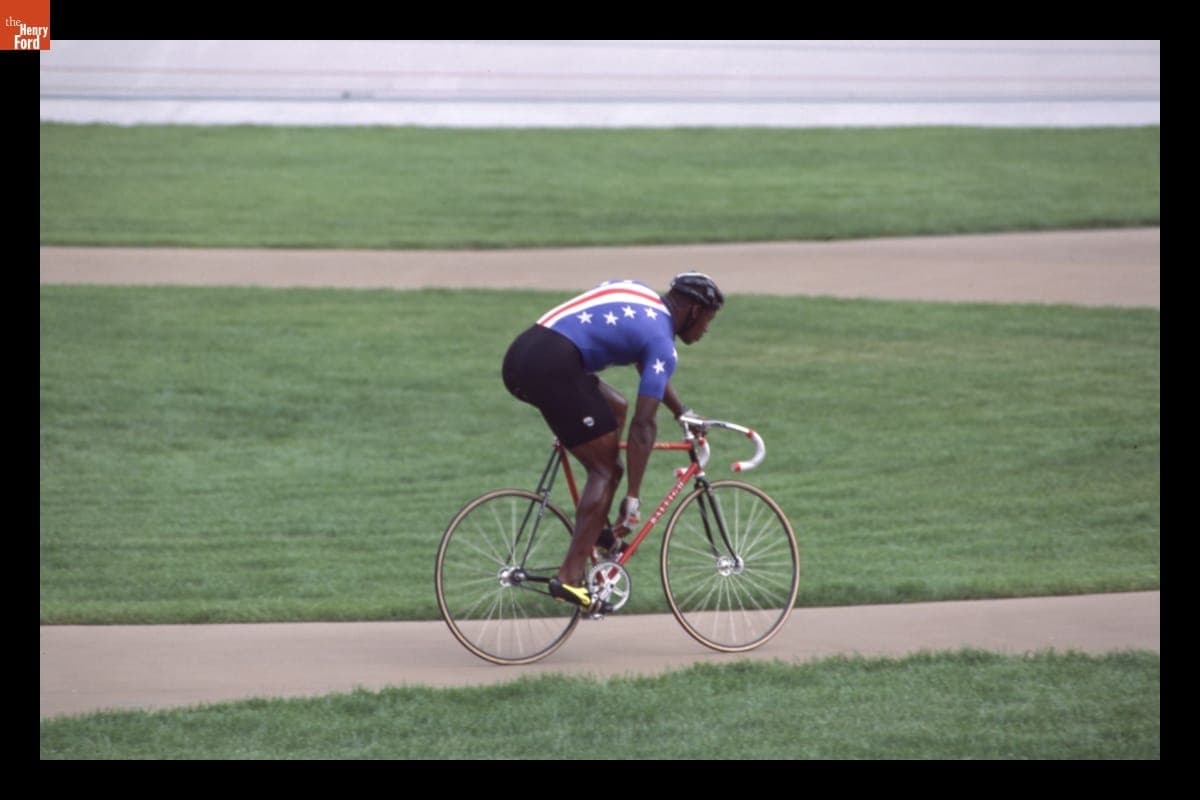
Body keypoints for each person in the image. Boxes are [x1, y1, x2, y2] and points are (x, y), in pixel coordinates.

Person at [501, 272, 725, 612]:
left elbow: (646, 364)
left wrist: (681, 411)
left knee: (616, 407)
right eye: (709, 319)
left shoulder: (639, 294)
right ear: (694, 310)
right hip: (553, 368)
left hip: (524, 353)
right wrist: (633, 497)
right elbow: (643, 425)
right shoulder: (662, 342)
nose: (706, 329)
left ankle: (599, 531)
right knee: (606, 471)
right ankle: (570, 578)